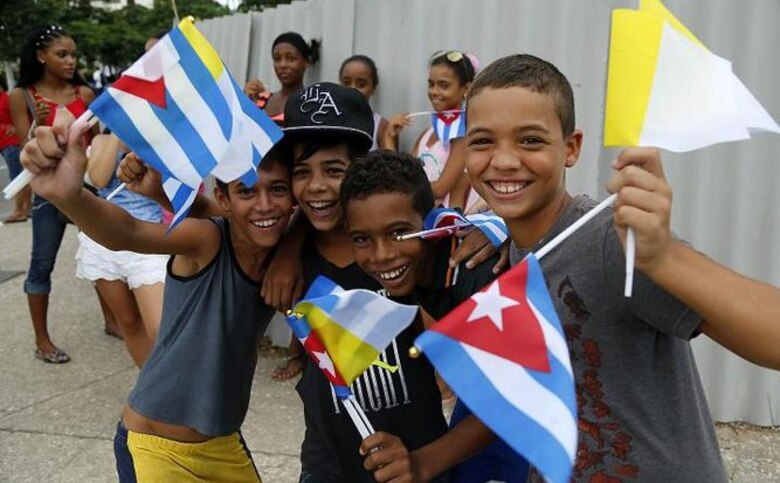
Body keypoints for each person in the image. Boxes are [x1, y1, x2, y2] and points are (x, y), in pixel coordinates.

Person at [461, 52, 780, 481]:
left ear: (571, 148)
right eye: (483, 141)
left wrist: (665, 256)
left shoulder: (611, 242)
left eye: (530, 140)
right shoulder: (511, 256)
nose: (503, 160)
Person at [21, 118, 294, 481]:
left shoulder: (286, 247)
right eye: (246, 191)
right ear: (225, 199)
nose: (265, 205)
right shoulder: (207, 241)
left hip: (223, 442)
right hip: (155, 448)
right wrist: (70, 195)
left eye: (278, 189)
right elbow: (126, 231)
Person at [340, 150, 528, 483]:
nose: (382, 255)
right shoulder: (432, 262)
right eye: (362, 239)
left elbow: (511, 397)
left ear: (431, 224)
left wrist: (423, 463)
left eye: (399, 233)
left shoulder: (474, 271)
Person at [8, 24, 97, 364]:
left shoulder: (84, 94)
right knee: (41, 263)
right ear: (41, 56)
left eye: (73, 54)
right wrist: (36, 124)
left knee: (101, 254)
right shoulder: (24, 96)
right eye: (62, 54)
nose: (71, 60)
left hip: (86, 187)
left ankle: (114, 319)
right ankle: (42, 340)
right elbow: (23, 145)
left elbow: (97, 141)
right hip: (49, 193)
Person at [78, 133, 167, 366]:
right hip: (103, 243)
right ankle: (150, 392)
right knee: (128, 322)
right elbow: (98, 179)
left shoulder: (159, 137)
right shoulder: (101, 141)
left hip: (148, 241)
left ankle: (174, 390)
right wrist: (118, 134)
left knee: (162, 329)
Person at [384, 50, 479, 211]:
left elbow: (441, 188)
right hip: (423, 218)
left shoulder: (462, 134)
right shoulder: (427, 134)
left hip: (446, 227)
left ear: (466, 88)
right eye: (431, 84)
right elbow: (402, 174)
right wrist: (389, 135)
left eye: (444, 85)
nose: (434, 92)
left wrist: (403, 187)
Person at [252, 32, 319, 126]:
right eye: (277, 59)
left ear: (306, 62)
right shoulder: (261, 100)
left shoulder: (310, 104)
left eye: (291, 59)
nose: (282, 65)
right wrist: (247, 101)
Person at [338, 55, 388, 151]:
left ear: (373, 87)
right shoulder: (330, 120)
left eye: (361, 84)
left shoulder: (381, 126)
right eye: (346, 82)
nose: (352, 88)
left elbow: (390, 163)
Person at [1, 78, 30, 223]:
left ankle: (19, 211)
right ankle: (27, 208)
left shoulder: (8, 98)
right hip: (3, 143)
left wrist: (15, 128)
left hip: (12, 143)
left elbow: (22, 115)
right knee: (21, 175)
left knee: (17, 177)